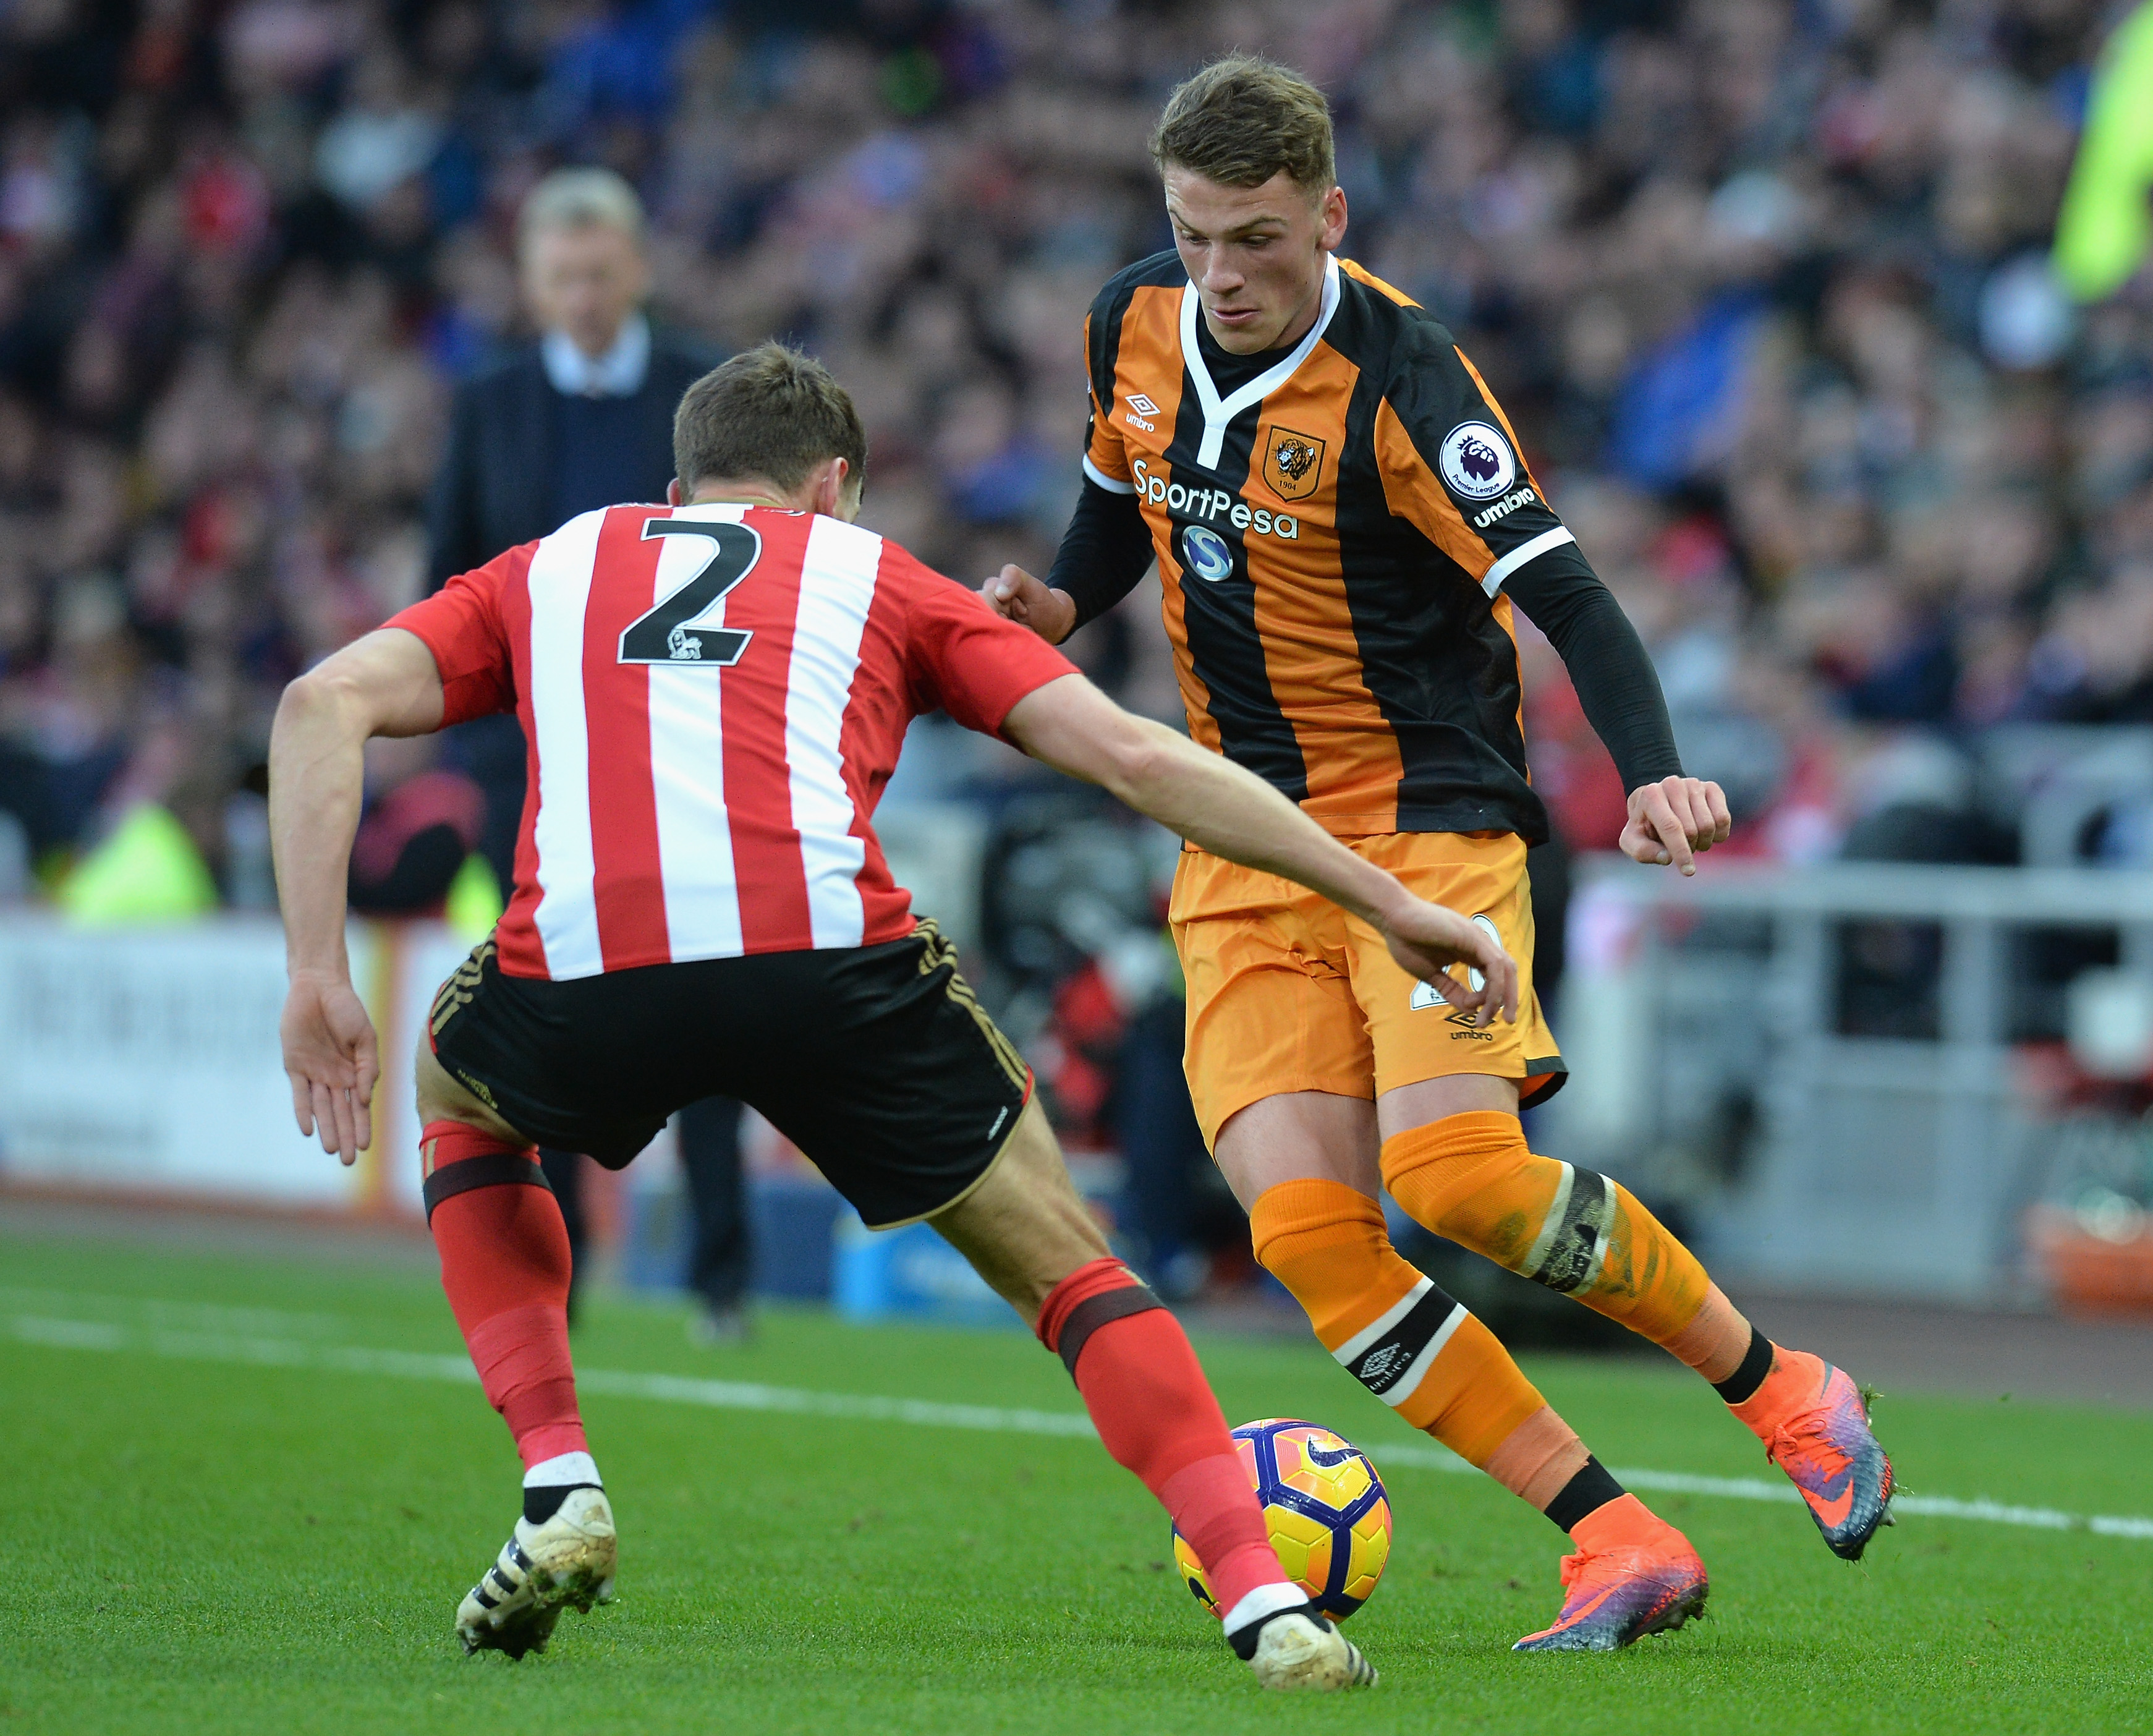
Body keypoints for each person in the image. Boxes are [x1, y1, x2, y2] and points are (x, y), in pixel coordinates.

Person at [269, 342, 1530, 1686]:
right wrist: (1382, 899)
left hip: (592, 961)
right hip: (831, 962)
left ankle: (556, 1478)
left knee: (460, 1099)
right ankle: (1262, 1600)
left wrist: (316, 974)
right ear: (832, 488)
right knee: (1068, 1271)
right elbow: (1131, 755)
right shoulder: (876, 574)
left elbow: (318, 703)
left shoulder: (552, 565)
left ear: (678, 488)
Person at [983, 56, 1893, 1652]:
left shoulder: (1407, 381)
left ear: (1328, 216)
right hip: (1240, 839)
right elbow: (1115, 502)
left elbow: (1568, 596)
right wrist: (1057, 605)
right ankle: (1612, 1536)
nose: (1220, 273)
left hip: (1423, 825)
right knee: (1305, 1241)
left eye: (1256, 239)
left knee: (1458, 1179)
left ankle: (1786, 1394)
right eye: (1194, 235)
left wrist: (1654, 773)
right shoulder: (1128, 320)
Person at [427, 166, 749, 1339]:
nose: (583, 296)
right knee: (550, 1006)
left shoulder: (704, 395)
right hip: (537, 766)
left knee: (712, 1004)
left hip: (686, 753)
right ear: (532, 282)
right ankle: (554, 1272)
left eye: (600, 273)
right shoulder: (491, 405)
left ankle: (721, 1279)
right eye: (562, 277)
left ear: (638, 270)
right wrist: (477, 757)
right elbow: (451, 582)